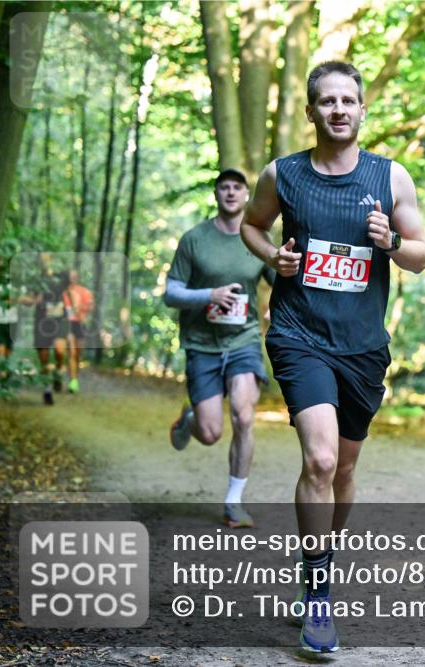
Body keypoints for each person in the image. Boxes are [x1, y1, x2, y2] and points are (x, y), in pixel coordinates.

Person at [241, 61, 425, 653]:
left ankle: (320, 558)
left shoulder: (390, 176)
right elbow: (251, 226)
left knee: (344, 469)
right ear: (311, 111)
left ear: (363, 109)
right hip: (299, 336)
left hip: (363, 348)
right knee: (319, 460)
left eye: (349, 100)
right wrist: (274, 259)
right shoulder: (283, 173)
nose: (339, 110)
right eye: (327, 101)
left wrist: (391, 243)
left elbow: (421, 254)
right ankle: (318, 595)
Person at [165, 168, 276, 529]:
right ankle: (192, 417)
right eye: (224, 187)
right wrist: (208, 296)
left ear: (246, 195)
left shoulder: (258, 238)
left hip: (243, 340)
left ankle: (233, 503)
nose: (230, 193)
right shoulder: (194, 239)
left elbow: (285, 280)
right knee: (211, 433)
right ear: (216, 194)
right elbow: (171, 292)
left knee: (244, 416)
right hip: (202, 344)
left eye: (237, 188)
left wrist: (278, 305)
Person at [32, 254, 69, 406]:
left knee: (60, 351)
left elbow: (70, 275)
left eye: (48, 259)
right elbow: (31, 299)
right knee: (44, 357)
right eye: (43, 260)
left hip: (59, 320)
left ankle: (58, 374)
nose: (46, 262)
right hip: (42, 322)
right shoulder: (36, 281)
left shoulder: (61, 278)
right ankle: (47, 390)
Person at [63, 269, 94, 393]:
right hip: (67, 323)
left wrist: (80, 307)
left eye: (75, 276)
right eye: (70, 276)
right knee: (71, 351)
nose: (73, 278)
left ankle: (74, 376)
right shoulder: (63, 292)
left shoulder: (85, 292)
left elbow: (91, 307)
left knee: (77, 353)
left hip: (80, 323)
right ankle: (73, 380)